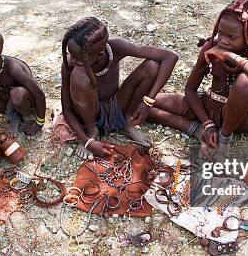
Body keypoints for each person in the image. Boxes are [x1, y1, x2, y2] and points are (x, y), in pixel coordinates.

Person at [148, 0, 248, 160]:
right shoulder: (211, 46)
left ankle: (224, 140)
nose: (224, 40)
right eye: (221, 33)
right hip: (208, 107)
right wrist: (207, 123)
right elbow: (190, 90)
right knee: (147, 102)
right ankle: (197, 130)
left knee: (245, 81)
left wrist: (232, 57)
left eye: (232, 37)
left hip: (238, 119)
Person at [60, 17, 178, 159]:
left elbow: (170, 57)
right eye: (71, 54)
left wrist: (148, 101)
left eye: (78, 58)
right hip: (89, 114)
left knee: (152, 66)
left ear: (100, 55)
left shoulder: (115, 49)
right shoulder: (70, 64)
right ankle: (92, 131)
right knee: (80, 75)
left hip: (116, 107)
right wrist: (87, 142)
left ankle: (126, 123)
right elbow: (66, 109)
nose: (72, 59)